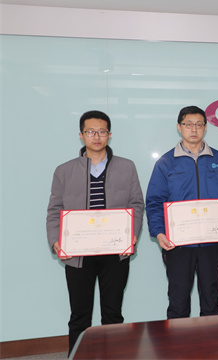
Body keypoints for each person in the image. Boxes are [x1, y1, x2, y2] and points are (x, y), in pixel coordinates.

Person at [46, 110, 144, 354]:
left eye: (101, 131)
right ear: (81, 135)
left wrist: (132, 234)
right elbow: (55, 209)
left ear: (109, 135)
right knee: (80, 315)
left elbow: (136, 204)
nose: (96, 137)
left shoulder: (127, 166)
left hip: (115, 252)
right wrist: (56, 240)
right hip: (78, 254)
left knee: (113, 314)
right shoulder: (64, 170)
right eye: (90, 132)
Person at [146, 105, 218, 318]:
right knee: (178, 303)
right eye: (188, 124)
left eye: (199, 124)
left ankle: (213, 341)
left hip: (212, 244)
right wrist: (159, 232)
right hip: (178, 245)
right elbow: (154, 201)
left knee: (211, 302)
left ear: (205, 128)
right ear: (179, 127)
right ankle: (178, 341)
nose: (194, 129)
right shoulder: (165, 163)